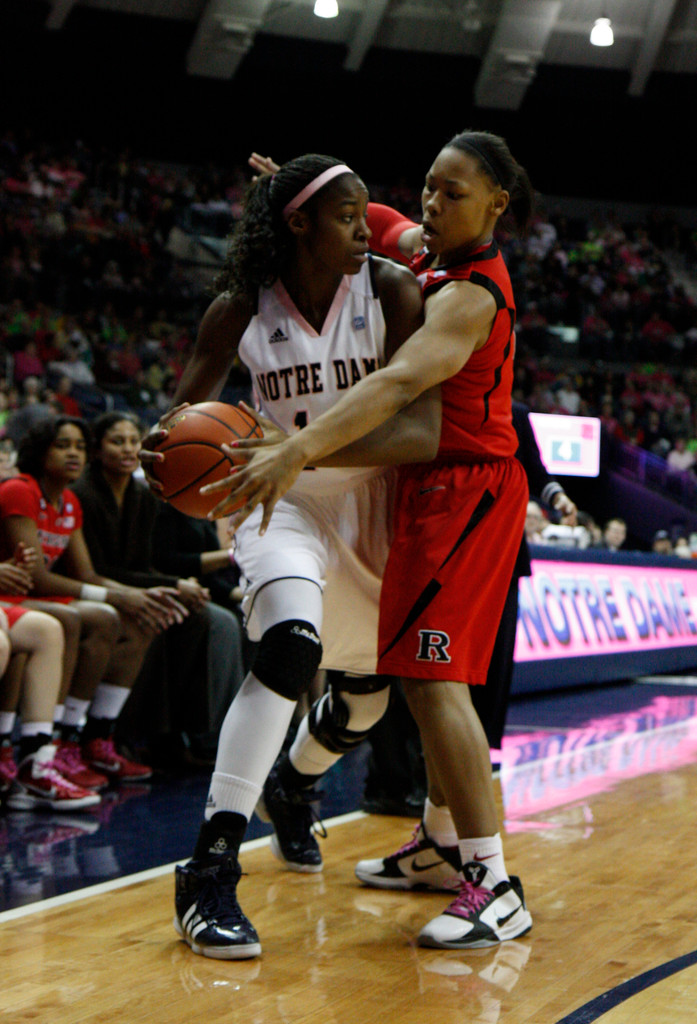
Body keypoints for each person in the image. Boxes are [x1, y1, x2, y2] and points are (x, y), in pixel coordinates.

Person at [209, 131, 536, 951]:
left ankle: (494, 883)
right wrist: (295, 191)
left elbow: (396, 386)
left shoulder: (470, 295)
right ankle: (434, 846)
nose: (431, 204)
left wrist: (298, 445)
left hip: (463, 488)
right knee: (387, 677)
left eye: (452, 193)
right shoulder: (423, 244)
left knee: (432, 680)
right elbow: (377, 219)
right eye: (429, 186)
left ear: (496, 206)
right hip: (410, 489)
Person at [139, 154, 438, 959]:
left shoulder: (389, 290)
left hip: (372, 503)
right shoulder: (240, 304)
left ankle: (294, 783)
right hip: (282, 504)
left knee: (367, 701)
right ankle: (208, 871)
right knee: (289, 647)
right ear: (298, 223)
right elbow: (182, 414)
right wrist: (161, 450)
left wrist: (295, 449)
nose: (363, 227)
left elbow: (419, 431)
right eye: (347, 214)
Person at [0, 416, 186, 788]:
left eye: (79, 447)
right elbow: (35, 577)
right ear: (40, 451)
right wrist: (116, 595)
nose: (74, 453)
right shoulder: (19, 491)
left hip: (34, 597)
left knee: (133, 618)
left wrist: (133, 596)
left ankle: (89, 737)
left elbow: (85, 573)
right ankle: (45, 743)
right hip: (19, 595)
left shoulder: (69, 501)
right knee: (75, 619)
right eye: (63, 445)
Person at [73, 411, 244, 766]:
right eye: (116, 441)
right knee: (157, 621)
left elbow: (144, 565)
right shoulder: (83, 494)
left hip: (132, 585)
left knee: (193, 618)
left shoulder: (144, 495)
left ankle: (178, 735)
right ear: (97, 449)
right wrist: (172, 584)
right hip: (94, 589)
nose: (127, 448)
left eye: (133, 441)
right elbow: (100, 570)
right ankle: (126, 736)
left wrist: (173, 587)